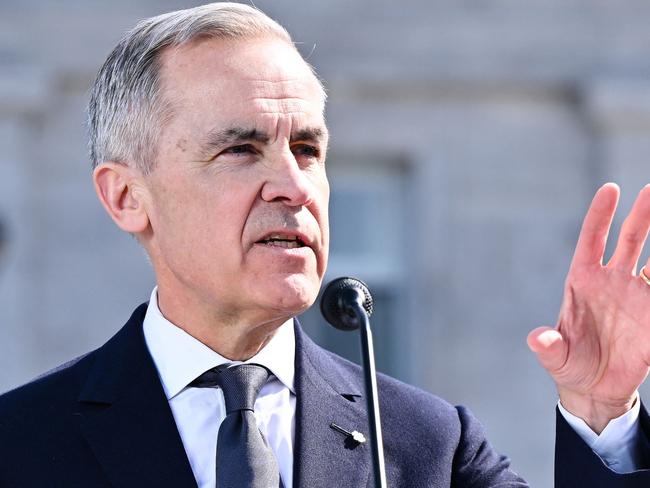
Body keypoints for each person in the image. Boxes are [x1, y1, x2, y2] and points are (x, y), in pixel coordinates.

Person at [0, 3, 648, 487]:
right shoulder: (20, 445)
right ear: (126, 197)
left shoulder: (429, 447)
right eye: (241, 149)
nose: (292, 185)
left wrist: (602, 414)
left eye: (307, 149)